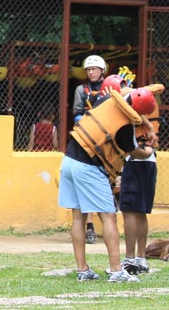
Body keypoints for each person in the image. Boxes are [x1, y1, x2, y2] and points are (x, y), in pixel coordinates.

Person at [59, 86, 157, 283]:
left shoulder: (105, 101)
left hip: (68, 160)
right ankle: (116, 271)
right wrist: (149, 150)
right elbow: (135, 151)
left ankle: (83, 270)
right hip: (89, 166)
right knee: (108, 217)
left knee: (78, 217)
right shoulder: (126, 128)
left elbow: (128, 92)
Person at [120, 87, 161, 276]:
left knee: (129, 211)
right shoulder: (149, 113)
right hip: (149, 163)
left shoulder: (128, 112)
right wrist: (151, 128)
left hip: (137, 161)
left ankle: (129, 259)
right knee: (141, 211)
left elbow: (136, 149)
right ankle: (141, 258)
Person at [72, 55, 107, 244]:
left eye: (94, 69)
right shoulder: (81, 90)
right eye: (89, 69)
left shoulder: (109, 87)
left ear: (102, 70)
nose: (91, 72)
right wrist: (88, 122)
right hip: (87, 137)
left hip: (106, 139)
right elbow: (77, 113)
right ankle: (89, 226)